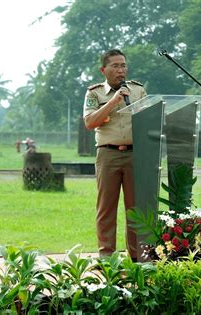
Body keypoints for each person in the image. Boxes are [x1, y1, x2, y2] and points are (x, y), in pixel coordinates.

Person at [83, 49, 147, 260]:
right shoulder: (95, 93)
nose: (121, 71)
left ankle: (138, 258)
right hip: (108, 155)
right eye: (115, 66)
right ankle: (106, 257)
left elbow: (150, 120)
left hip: (135, 154)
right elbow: (90, 123)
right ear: (104, 70)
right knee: (106, 208)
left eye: (123, 66)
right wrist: (113, 102)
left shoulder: (137, 91)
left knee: (136, 209)